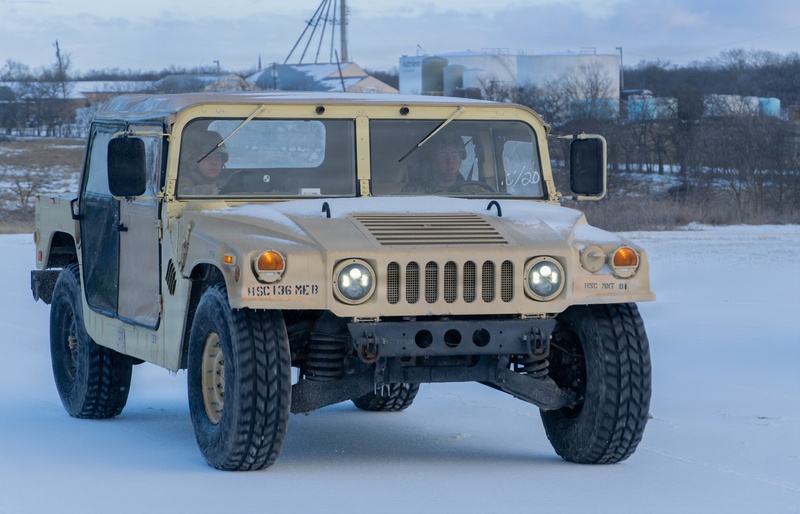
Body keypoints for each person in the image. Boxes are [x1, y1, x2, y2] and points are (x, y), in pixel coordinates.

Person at [402, 133, 491, 194]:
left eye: (455, 155)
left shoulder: (475, 191)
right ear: (432, 160)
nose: (450, 160)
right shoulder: (415, 191)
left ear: (461, 159)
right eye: (443, 155)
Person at [178, 130, 229, 195]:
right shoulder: (178, 184)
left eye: (218, 157)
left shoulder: (228, 182)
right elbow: (182, 192)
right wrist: (209, 191)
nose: (214, 162)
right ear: (191, 163)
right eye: (207, 158)